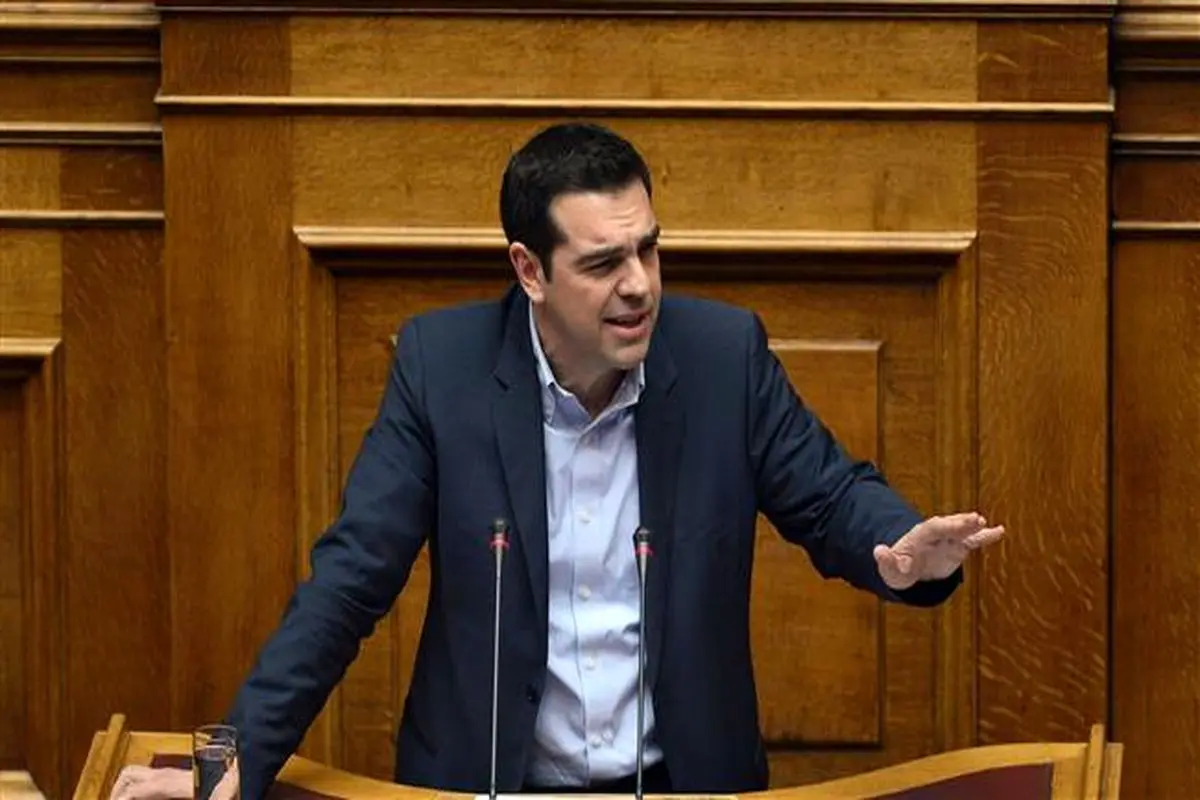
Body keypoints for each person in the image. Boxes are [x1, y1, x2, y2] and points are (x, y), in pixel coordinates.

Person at [109, 122, 1004, 800]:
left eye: (648, 248)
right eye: (604, 262)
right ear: (529, 270)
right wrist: (232, 759)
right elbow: (350, 580)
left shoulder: (722, 358)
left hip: (682, 785)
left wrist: (901, 551)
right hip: (490, 786)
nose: (639, 284)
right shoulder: (443, 370)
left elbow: (832, 497)